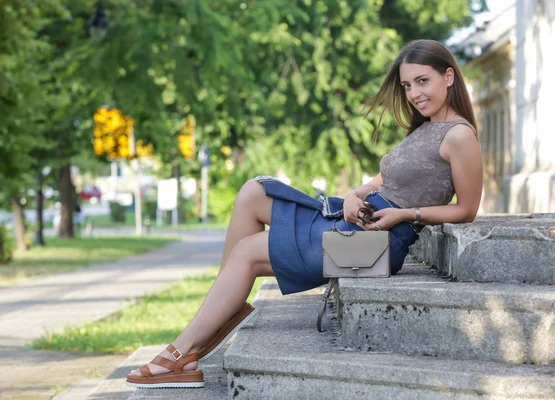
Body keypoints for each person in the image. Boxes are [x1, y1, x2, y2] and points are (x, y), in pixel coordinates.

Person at [126, 39, 483, 388]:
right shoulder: (425, 129)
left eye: (423, 81)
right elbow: (378, 182)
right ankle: (220, 309)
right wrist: (351, 195)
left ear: (448, 77)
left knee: (247, 251)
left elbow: (466, 209)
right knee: (254, 191)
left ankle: (183, 351)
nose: (414, 93)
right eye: (407, 85)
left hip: (377, 248)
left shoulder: (459, 135)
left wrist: (406, 215)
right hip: (355, 223)